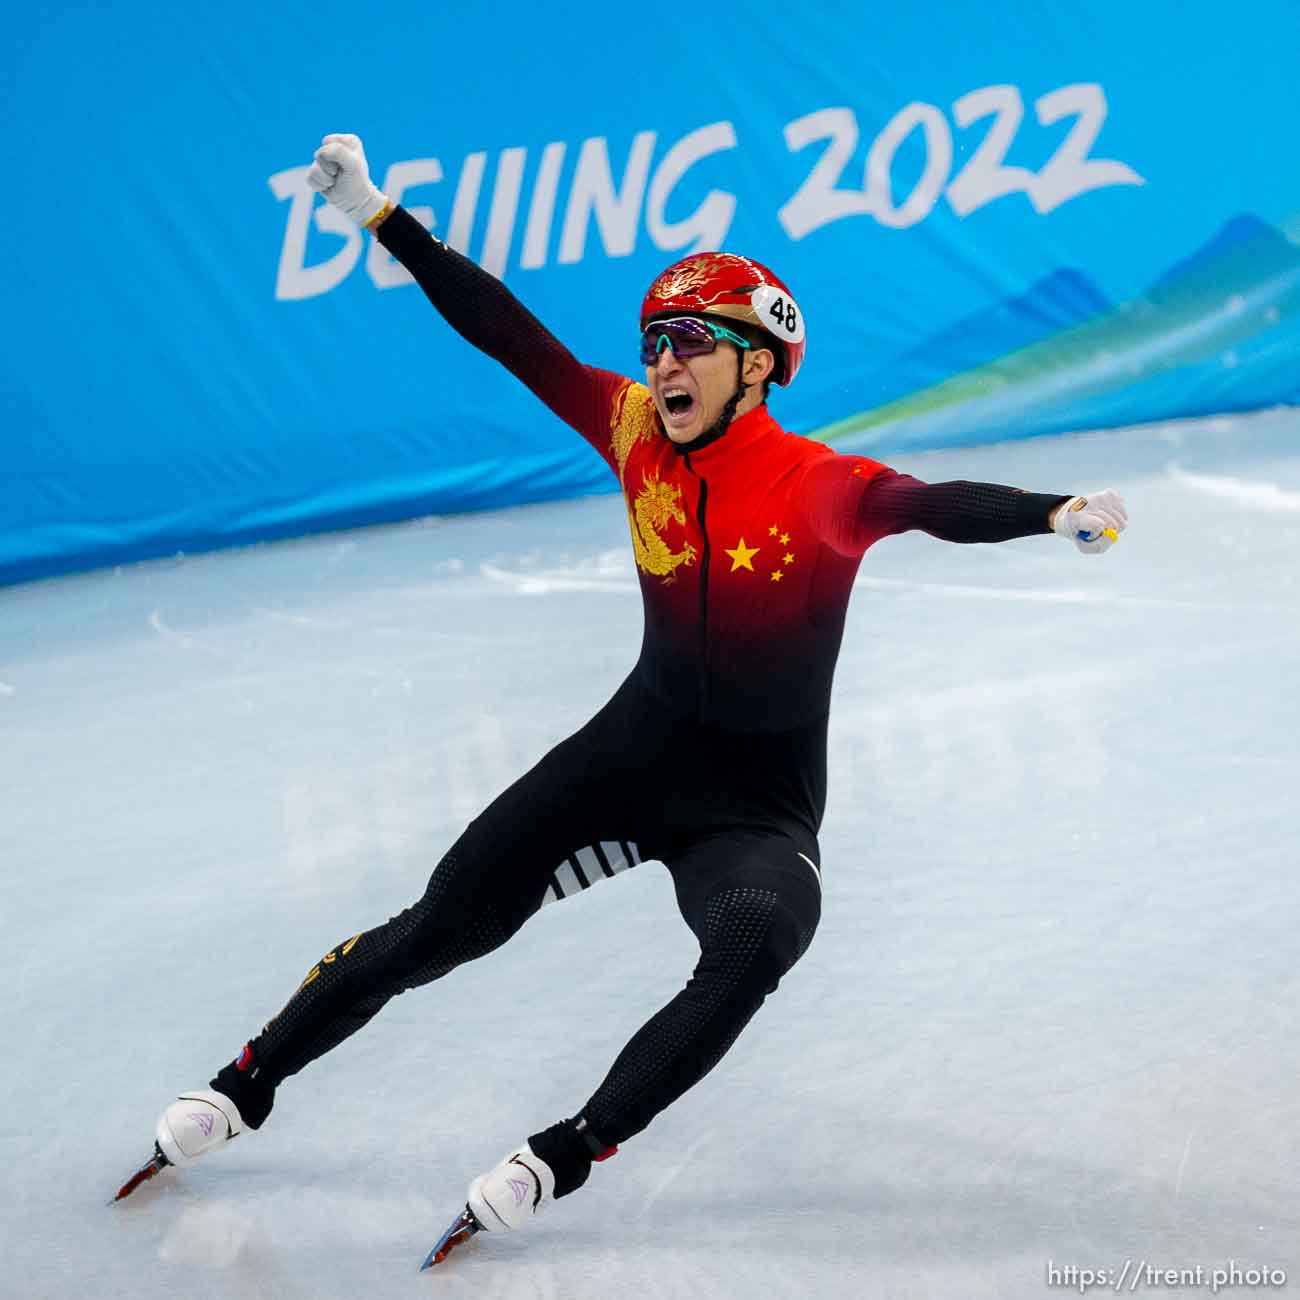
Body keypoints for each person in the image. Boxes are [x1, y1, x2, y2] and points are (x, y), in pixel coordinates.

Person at [121, 134, 1128, 1263]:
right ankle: (241, 1084)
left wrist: (1047, 511)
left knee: (756, 943)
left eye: (689, 341)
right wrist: (379, 215)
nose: (661, 363)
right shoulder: (632, 429)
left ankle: (563, 1149)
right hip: (629, 759)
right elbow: (509, 335)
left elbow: (933, 500)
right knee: (437, 927)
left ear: (757, 364)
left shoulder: (822, 485)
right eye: (652, 343)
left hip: (755, 808)